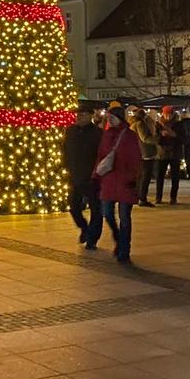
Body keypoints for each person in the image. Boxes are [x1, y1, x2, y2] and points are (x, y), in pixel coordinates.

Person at [96, 102, 142, 264]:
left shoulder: (129, 136)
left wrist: (133, 177)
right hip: (109, 180)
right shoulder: (106, 135)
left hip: (125, 181)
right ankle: (118, 238)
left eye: (112, 117)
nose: (110, 120)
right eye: (108, 117)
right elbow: (101, 156)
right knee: (107, 213)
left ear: (120, 118)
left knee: (125, 218)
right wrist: (96, 175)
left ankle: (124, 249)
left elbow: (136, 158)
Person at [63, 106, 103, 250]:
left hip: (92, 177)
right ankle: (84, 227)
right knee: (73, 206)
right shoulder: (71, 131)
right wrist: (66, 166)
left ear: (90, 116)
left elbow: (101, 155)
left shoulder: (98, 133)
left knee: (95, 209)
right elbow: (65, 149)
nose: (79, 117)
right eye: (78, 114)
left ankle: (92, 239)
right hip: (74, 176)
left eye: (83, 114)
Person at [131, 107, 159, 206]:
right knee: (145, 177)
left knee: (141, 177)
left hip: (139, 152)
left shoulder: (133, 123)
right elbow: (145, 138)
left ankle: (138, 197)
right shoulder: (140, 124)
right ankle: (142, 198)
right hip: (145, 153)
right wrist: (158, 139)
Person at [154, 106, 180, 205]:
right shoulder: (158, 124)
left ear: (173, 115)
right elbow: (155, 138)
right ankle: (158, 197)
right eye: (166, 114)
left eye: (170, 114)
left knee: (175, 177)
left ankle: (173, 197)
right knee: (159, 176)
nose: (168, 116)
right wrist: (161, 135)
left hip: (175, 153)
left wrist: (174, 135)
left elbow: (183, 138)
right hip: (162, 153)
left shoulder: (178, 124)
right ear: (163, 114)